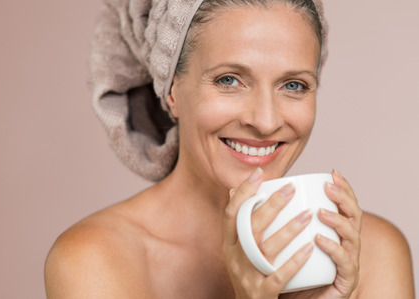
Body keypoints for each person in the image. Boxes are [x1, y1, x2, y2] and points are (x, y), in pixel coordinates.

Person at [44, 0, 415, 298]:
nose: (266, 121)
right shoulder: (94, 260)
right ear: (171, 90)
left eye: (294, 85)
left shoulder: (374, 252)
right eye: (229, 80)